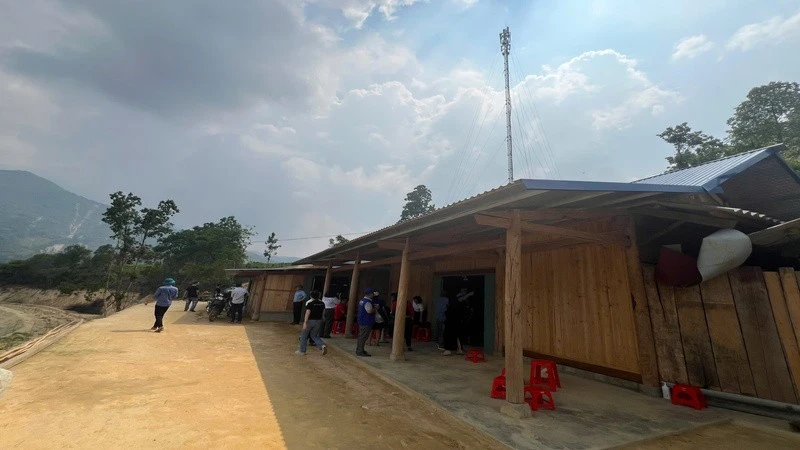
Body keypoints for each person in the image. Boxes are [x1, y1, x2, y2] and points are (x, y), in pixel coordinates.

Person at [295, 291, 328, 355]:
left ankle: (302, 351)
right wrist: (323, 320)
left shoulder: (310, 303)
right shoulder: (322, 303)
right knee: (314, 335)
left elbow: (307, 313)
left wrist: (305, 322)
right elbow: (323, 313)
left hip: (310, 321)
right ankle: (322, 345)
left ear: (311, 296)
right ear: (319, 296)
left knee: (304, 335)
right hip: (318, 321)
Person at [356, 288, 378, 357]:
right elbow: (369, 311)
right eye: (373, 294)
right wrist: (376, 308)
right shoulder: (367, 302)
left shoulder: (362, 300)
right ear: (370, 294)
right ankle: (360, 351)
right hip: (366, 321)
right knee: (363, 337)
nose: (373, 295)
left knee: (362, 336)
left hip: (362, 320)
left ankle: (360, 349)